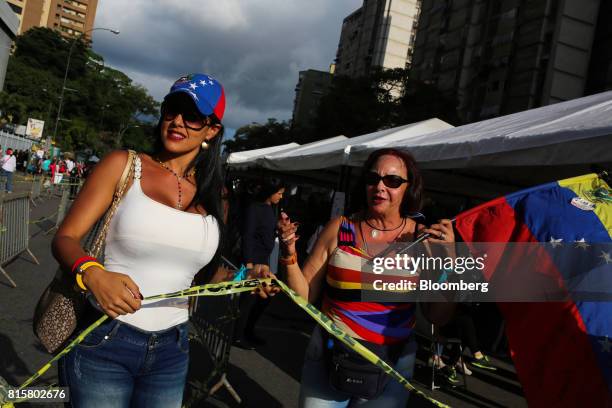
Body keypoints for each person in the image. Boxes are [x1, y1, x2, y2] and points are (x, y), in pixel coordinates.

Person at [53, 73, 244, 408]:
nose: (177, 121)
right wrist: (92, 273)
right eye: (172, 109)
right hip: (106, 337)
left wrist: (246, 277)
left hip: (174, 348)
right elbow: (66, 238)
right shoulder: (124, 165)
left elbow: (195, 275)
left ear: (212, 130)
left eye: (192, 115)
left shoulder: (218, 196)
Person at [277, 148, 455, 407]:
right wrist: (288, 254)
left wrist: (448, 261)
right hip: (330, 354)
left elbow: (437, 315)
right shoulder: (340, 227)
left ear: (409, 188)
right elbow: (302, 296)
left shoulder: (423, 239)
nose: (380, 187)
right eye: (373, 179)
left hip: (391, 362)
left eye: (392, 181)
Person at [233, 179, 285, 349]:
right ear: (270, 192)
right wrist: (248, 264)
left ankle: (247, 330)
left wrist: (279, 226)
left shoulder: (271, 209)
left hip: (264, 261)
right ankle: (238, 335)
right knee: (248, 300)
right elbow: (248, 235)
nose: (281, 196)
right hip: (252, 262)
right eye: (279, 193)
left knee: (265, 298)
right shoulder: (254, 208)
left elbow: (266, 230)